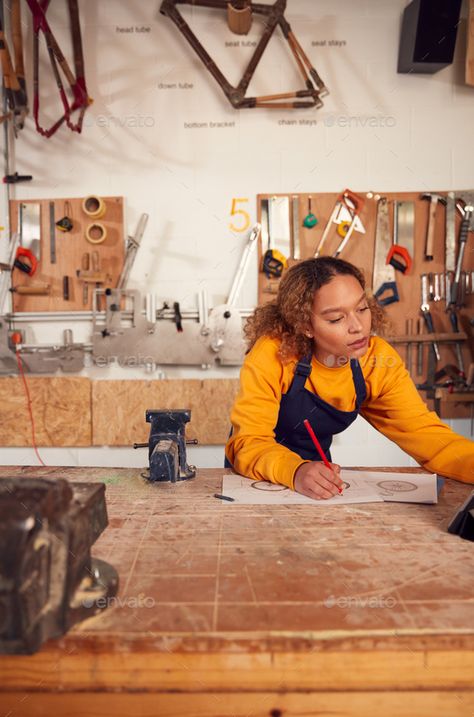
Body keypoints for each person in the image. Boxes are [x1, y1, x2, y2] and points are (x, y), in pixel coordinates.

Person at [225, 257, 474, 500]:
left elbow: (430, 438)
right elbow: (248, 443)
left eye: (362, 308)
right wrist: (295, 471)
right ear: (305, 326)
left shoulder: (376, 361)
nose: (358, 326)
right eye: (336, 318)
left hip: (317, 480)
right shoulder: (273, 353)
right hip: (255, 480)